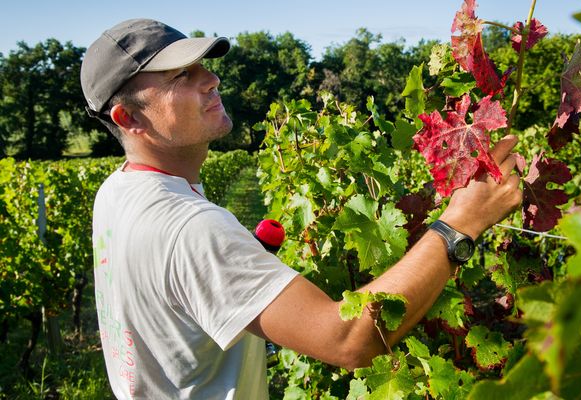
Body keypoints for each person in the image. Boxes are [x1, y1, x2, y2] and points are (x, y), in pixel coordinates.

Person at [81, 18, 522, 400]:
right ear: (129, 119)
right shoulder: (193, 229)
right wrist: (460, 224)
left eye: (202, 66)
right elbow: (349, 340)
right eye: (180, 76)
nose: (211, 79)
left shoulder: (118, 191)